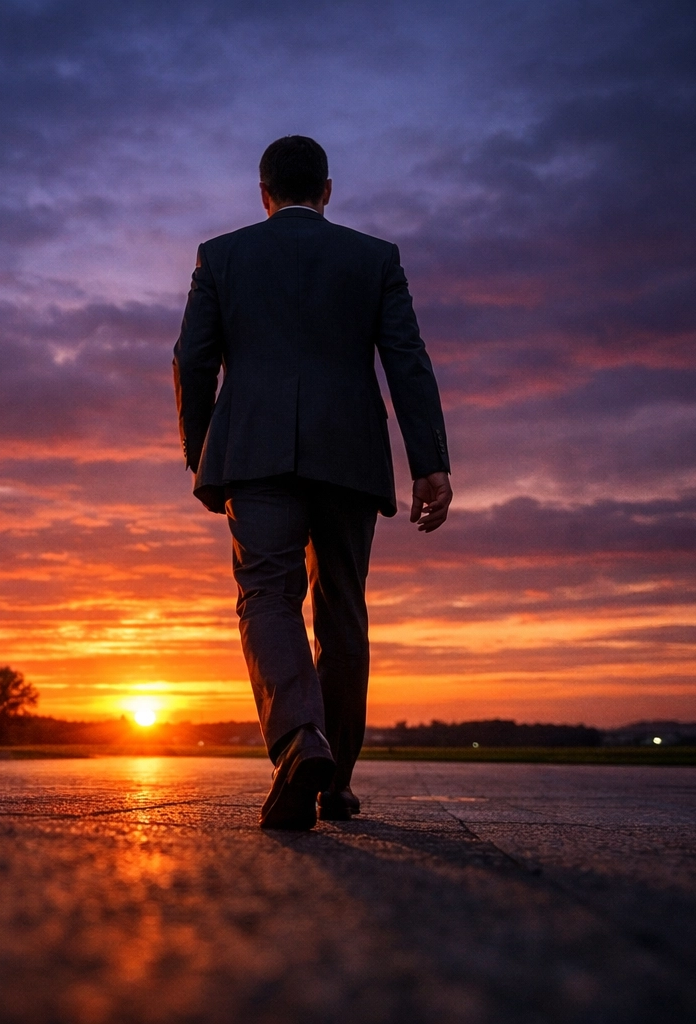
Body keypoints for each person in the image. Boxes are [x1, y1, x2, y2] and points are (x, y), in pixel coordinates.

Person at [173, 135, 452, 831]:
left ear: (262, 194)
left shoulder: (222, 255)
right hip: (348, 453)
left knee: (267, 596)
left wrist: (201, 447)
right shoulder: (375, 258)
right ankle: (337, 782)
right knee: (342, 612)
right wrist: (430, 462)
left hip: (254, 453)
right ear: (327, 190)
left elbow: (192, 359)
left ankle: (300, 740)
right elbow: (407, 362)